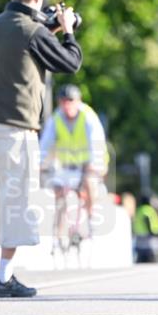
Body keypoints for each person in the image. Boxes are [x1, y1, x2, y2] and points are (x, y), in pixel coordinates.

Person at [0, 0, 82, 298]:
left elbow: (20, 46)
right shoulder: (33, 33)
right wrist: (68, 31)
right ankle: (4, 278)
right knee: (16, 205)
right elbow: (70, 62)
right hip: (15, 131)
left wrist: (48, 29)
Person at [40, 84, 108, 234]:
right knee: (58, 192)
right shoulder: (56, 119)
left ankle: (92, 219)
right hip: (67, 166)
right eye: (64, 101)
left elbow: (97, 141)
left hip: (88, 164)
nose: (67, 104)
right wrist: (39, 163)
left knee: (90, 183)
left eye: (71, 100)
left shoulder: (88, 116)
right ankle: (59, 233)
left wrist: (94, 163)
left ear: (78, 101)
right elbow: (45, 144)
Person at [133, 193, 158, 263]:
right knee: (155, 256)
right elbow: (148, 222)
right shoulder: (149, 210)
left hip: (139, 235)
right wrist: (154, 233)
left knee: (140, 257)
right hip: (150, 237)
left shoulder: (138, 210)